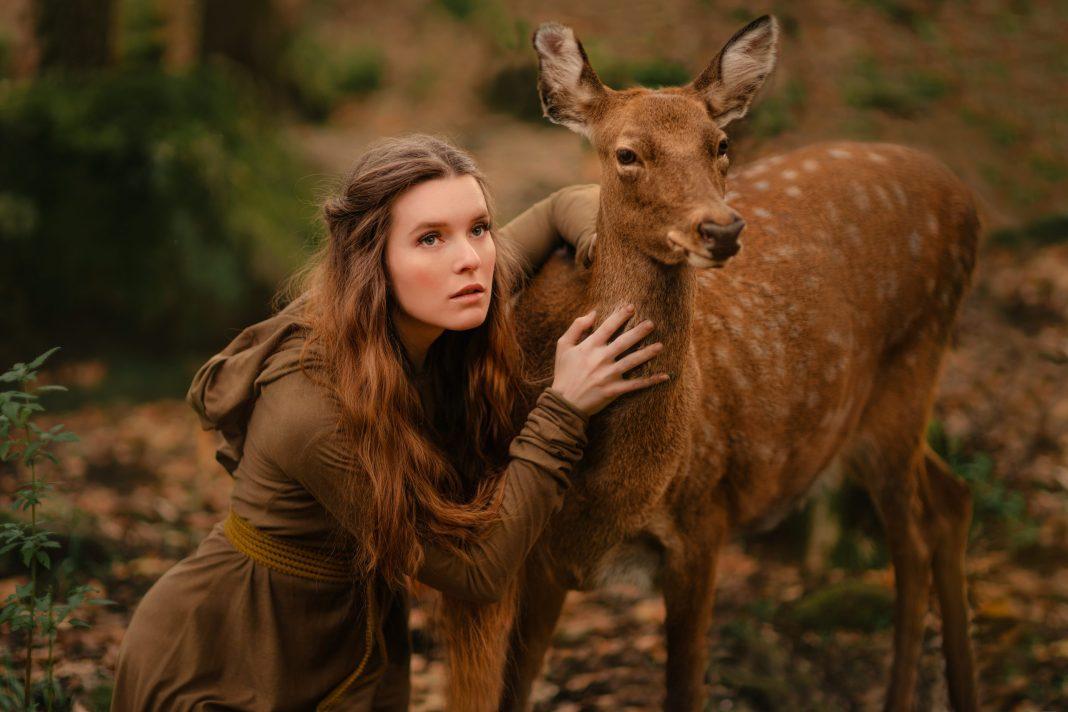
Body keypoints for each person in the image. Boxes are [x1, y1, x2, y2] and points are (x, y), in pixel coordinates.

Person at [110, 134, 666, 711]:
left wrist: (600, 251)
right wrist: (564, 407)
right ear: (371, 260)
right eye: (430, 238)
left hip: (346, 636)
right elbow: (477, 574)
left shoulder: (459, 283)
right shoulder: (312, 403)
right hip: (228, 655)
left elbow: (562, 206)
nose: (470, 258)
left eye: (479, 227)